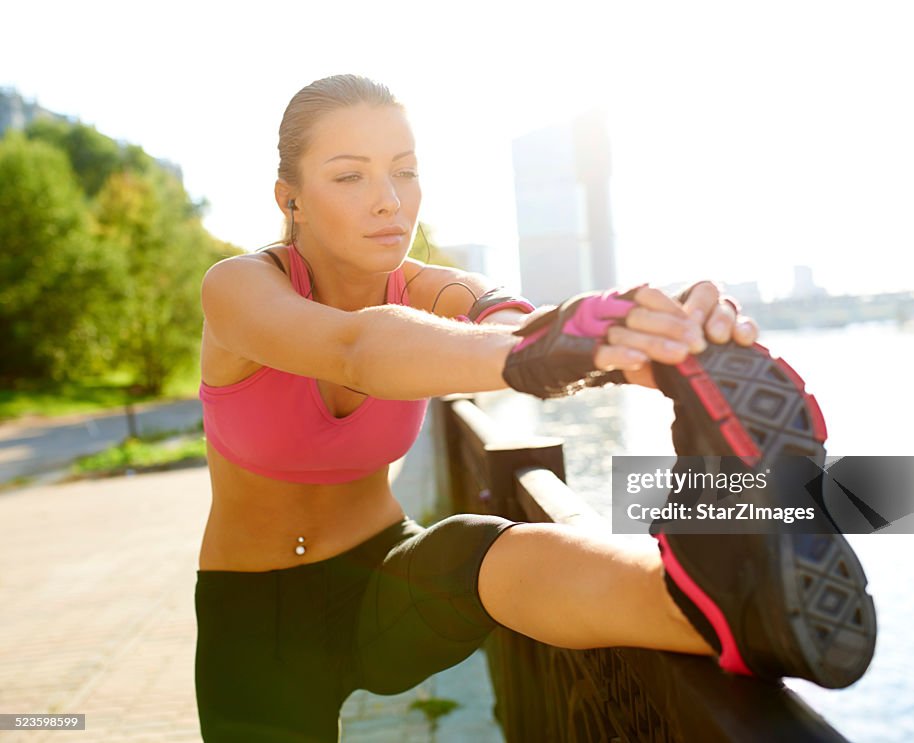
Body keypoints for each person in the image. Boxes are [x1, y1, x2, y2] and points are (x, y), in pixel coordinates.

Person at [194, 74, 874, 742]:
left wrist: (659, 345)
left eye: (404, 171)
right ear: (292, 199)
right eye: (350, 177)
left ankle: (721, 605)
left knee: (477, 548)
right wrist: (551, 347)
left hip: (382, 579)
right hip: (257, 617)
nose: (388, 200)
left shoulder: (436, 289)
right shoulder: (240, 289)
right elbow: (353, 347)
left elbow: (515, 324)